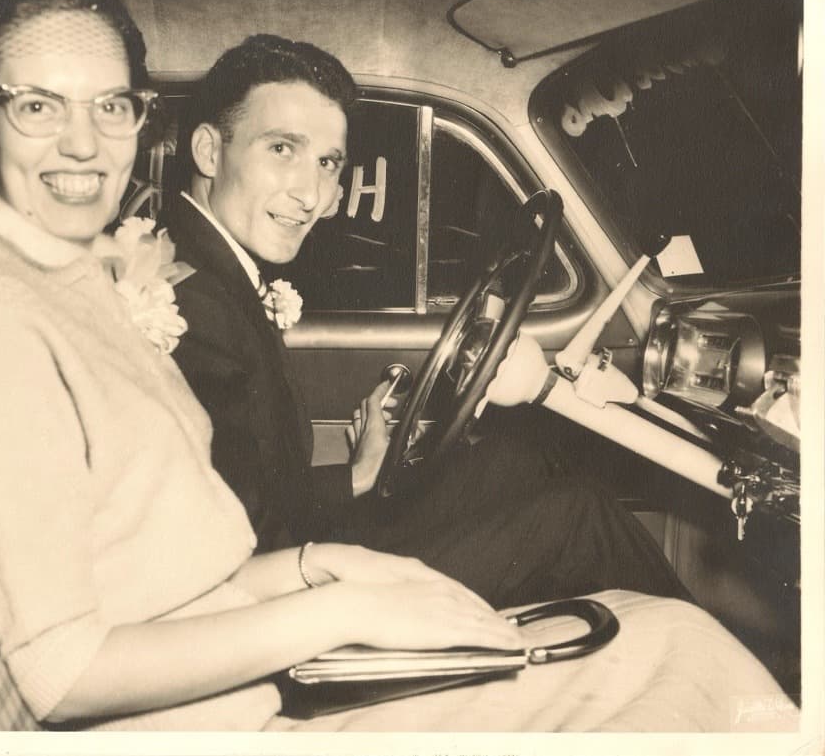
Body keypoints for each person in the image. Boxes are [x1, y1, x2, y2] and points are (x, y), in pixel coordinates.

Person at [0, 0, 791, 733]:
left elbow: (188, 552)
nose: (84, 143)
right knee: (676, 655)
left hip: (258, 657)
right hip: (245, 715)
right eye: (39, 105)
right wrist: (342, 605)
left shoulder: (80, 290)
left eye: (111, 105)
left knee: (666, 642)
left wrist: (326, 562)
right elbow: (59, 671)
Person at [162, 34, 690, 608]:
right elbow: (239, 548)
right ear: (210, 152)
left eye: (327, 162)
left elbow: (248, 489)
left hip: (297, 547)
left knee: (516, 459)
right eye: (282, 149)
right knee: (578, 521)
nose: (312, 194)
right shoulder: (188, 308)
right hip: (288, 601)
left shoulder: (212, 271)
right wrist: (355, 482)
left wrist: (359, 475)